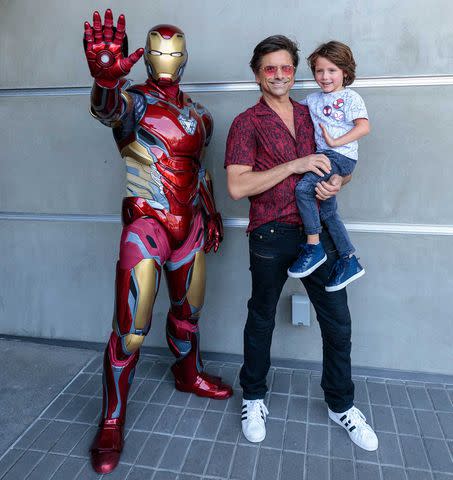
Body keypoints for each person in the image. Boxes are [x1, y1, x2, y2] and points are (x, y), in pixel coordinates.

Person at [83, 9, 232, 474]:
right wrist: (105, 81)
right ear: (145, 56)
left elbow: (198, 170)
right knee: (130, 329)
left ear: (184, 58)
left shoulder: (200, 114)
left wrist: (210, 212)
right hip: (146, 226)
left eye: (174, 51)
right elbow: (107, 112)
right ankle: (111, 420)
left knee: (188, 314)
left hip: (187, 224)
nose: (166, 57)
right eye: (158, 50)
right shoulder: (134, 103)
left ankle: (186, 374)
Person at [225, 35, 378, 451]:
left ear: (295, 72)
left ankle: (340, 404)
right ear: (257, 73)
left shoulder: (316, 108)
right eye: (269, 68)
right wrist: (295, 165)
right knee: (261, 317)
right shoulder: (246, 122)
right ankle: (253, 398)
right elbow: (237, 187)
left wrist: (336, 183)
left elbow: (344, 165)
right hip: (271, 232)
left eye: (286, 67)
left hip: (319, 234)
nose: (279, 75)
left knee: (338, 321)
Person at [288, 41, 369, 292]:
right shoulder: (313, 100)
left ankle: (314, 246)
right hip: (326, 155)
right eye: (319, 71)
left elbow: (364, 127)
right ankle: (348, 259)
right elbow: (290, 109)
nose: (325, 77)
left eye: (332, 70)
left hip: (339, 156)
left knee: (303, 190)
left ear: (345, 71)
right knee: (327, 211)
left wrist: (335, 141)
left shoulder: (350, 97)